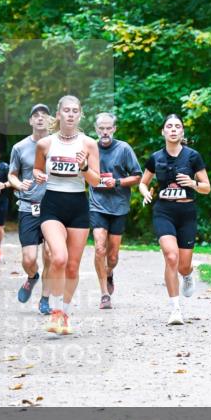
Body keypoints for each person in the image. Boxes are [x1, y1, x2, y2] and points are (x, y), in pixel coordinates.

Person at [33, 95, 101, 335]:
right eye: (67, 111)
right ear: (58, 114)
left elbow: (96, 180)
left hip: (78, 206)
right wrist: (38, 175)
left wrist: (83, 167)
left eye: (75, 111)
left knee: (72, 266)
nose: (71, 114)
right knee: (58, 257)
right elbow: (38, 168)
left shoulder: (88, 144)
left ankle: (65, 312)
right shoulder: (45, 144)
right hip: (52, 204)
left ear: (80, 115)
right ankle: (54, 311)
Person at [138, 114, 210, 326]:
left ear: (182, 132)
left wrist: (192, 183)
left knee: (183, 265)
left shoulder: (193, 156)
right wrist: (144, 192)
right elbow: (143, 182)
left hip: (186, 212)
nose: (173, 130)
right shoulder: (155, 158)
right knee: (171, 257)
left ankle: (187, 275)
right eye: (169, 126)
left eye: (177, 126)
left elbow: (207, 187)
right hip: (164, 212)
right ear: (163, 132)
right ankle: (175, 309)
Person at [88, 112, 142, 309]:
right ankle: (104, 294)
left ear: (114, 129)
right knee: (99, 248)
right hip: (97, 204)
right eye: (101, 128)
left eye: (108, 128)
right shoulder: (90, 148)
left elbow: (137, 176)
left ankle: (109, 272)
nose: (104, 132)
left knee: (112, 256)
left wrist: (117, 181)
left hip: (119, 206)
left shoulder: (124, 149)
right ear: (96, 129)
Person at [8, 103, 53, 314]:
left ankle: (45, 299)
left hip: (53, 206)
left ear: (50, 120)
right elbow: (12, 175)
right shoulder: (19, 147)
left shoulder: (59, 144)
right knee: (29, 259)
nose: (40, 118)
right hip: (28, 206)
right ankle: (32, 276)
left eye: (44, 115)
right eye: (36, 115)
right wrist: (18, 184)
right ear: (30, 121)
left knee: (51, 256)